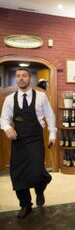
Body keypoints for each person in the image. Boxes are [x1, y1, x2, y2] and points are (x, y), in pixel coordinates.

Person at [0, 67, 56, 219]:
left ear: (29, 78)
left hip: (35, 140)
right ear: (16, 79)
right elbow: (3, 119)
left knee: (37, 171)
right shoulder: (10, 99)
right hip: (18, 141)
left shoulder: (41, 97)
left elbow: (50, 116)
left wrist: (52, 134)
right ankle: (25, 205)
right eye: (18, 76)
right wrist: (6, 128)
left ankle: (40, 189)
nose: (21, 78)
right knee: (17, 174)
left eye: (24, 75)